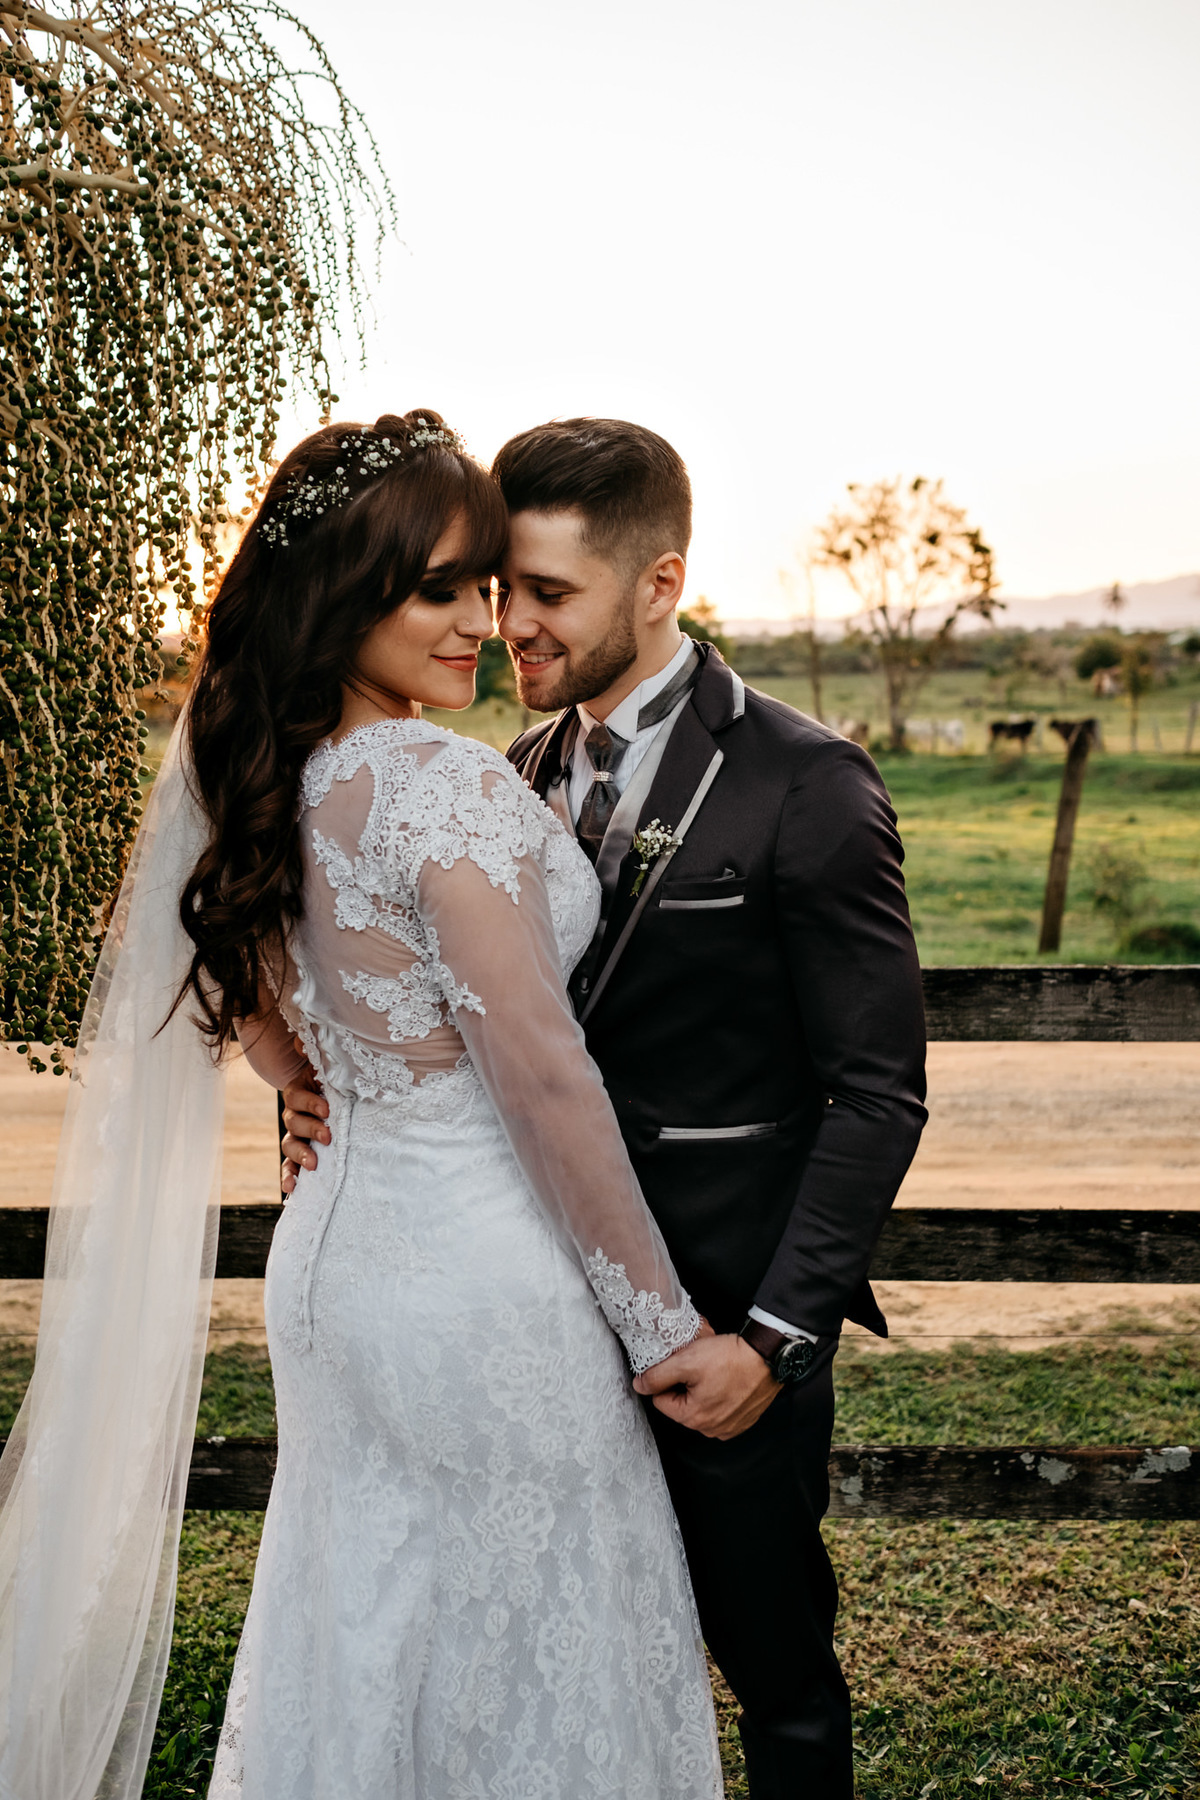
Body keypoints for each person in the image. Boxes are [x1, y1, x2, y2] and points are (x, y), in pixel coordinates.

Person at [0, 411, 724, 1800]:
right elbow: (542, 1074)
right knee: (538, 1638)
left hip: (337, 1275)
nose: (482, 621)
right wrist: (662, 1323)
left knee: (370, 1615)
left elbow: (212, 957)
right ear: (345, 595)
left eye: (491, 585)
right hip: (479, 1285)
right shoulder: (428, 780)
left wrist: (298, 1068)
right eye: (439, 588)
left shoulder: (259, 776)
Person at [283, 416, 929, 1799]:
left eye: (547, 595)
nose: (510, 623)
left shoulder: (804, 783)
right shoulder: (505, 771)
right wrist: (311, 1088)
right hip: (521, 1319)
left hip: (720, 1320)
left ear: (661, 584)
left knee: (776, 1670)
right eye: (496, 587)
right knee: (546, 1664)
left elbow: (877, 1094)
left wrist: (778, 1334)